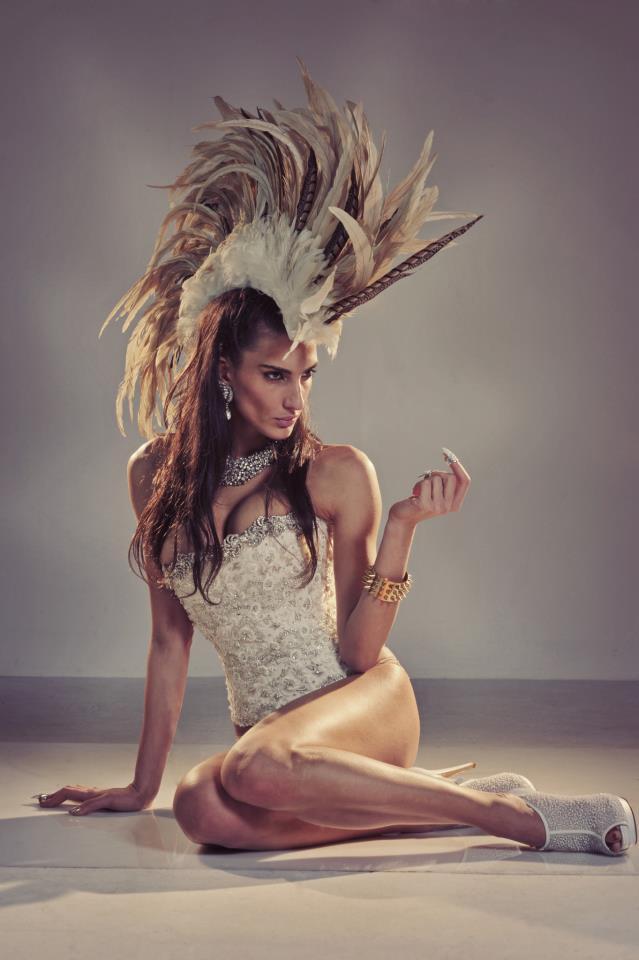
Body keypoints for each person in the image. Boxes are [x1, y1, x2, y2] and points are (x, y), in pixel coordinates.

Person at [34, 60, 636, 856]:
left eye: (305, 376)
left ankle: (523, 820)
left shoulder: (334, 471)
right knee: (196, 810)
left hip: (360, 705)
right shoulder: (153, 477)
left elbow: (356, 652)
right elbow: (168, 641)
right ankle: (452, 801)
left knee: (249, 768)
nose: (294, 399)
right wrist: (138, 787)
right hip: (272, 748)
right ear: (224, 373)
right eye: (273, 375)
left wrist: (401, 529)